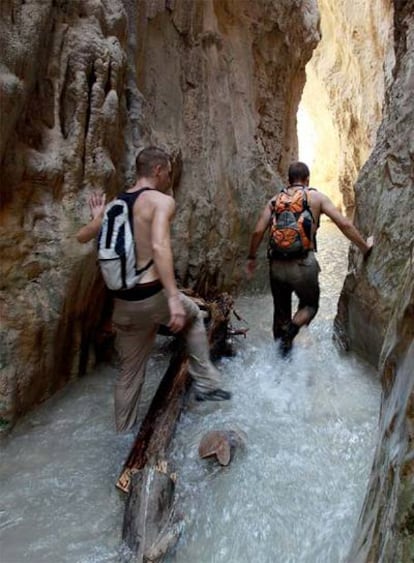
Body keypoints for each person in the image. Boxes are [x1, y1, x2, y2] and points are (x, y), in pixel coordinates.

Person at [77, 146, 231, 432]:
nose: (169, 178)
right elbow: (160, 245)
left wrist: (98, 218)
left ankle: (123, 436)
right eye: (168, 173)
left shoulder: (115, 205)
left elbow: (81, 236)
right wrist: (173, 298)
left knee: (129, 374)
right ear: (158, 170)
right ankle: (207, 384)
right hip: (153, 296)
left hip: (123, 305)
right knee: (195, 315)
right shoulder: (160, 202)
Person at [246, 161, 374, 356]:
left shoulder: (274, 200)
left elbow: (257, 232)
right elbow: (344, 224)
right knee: (310, 305)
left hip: (277, 265)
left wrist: (251, 257)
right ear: (307, 180)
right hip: (303, 264)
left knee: (280, 314)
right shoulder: (316, 197)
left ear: (288, 180)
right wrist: (365, 247)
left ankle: (281, 361)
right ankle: (292, 329)